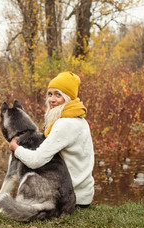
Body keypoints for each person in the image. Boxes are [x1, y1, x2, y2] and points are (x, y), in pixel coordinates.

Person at [9, 71, 95, 207]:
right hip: (85, 194)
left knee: (27, 160)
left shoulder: (65, 123)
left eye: (58, 94)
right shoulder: (80, 119)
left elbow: (36, 160)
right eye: (50, 94)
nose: (52, 99)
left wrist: (16, 149)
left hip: (71, 197)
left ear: (68, 98)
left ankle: (19, 202)